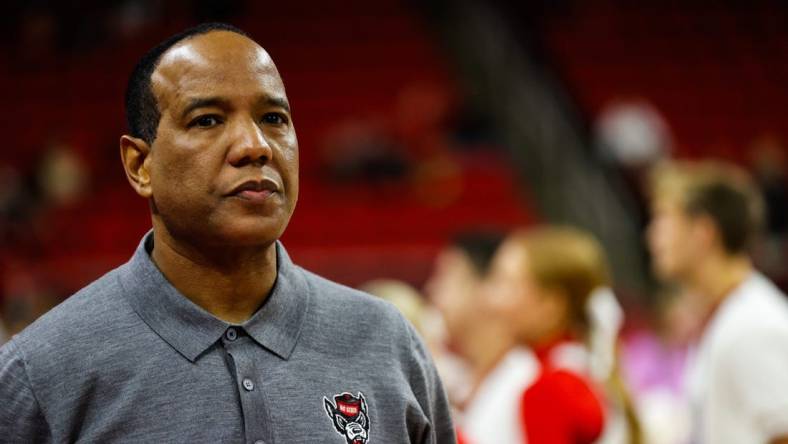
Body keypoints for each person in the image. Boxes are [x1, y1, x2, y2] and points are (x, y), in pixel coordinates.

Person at [0, 23, 454, 443]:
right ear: (141, 165)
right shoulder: (40, 371)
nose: (255, 145)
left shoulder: (388, 342)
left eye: (274, 118)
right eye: (208, 120)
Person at [646, 160, 788, 444]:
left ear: (703, 232)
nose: (651, 236)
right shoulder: (727, 315)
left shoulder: (753, 326)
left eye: (663, 220)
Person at [483, 226, 610, 444]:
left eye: (507, 284)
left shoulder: (550, 387)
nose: (491, 300)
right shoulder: (551, 369)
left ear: (550, 305)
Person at [424, 232, 538, 444]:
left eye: (445, 276)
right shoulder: (459, 379)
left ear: (487, 286)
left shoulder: (527, 383)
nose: (432, 289)